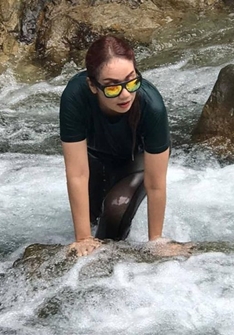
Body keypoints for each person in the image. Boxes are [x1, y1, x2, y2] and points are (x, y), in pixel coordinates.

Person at [59, 35, 171, 257]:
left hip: (135, 164)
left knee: (115, 211)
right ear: (92, 85)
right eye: (112, 88)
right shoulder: (74, 97)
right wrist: (83, 239)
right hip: (96, 159)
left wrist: (156, 241)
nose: (125, 94)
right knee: (90, 220)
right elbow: (78, 174)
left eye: (132, 81)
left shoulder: (152, 106)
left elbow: (155, 183)